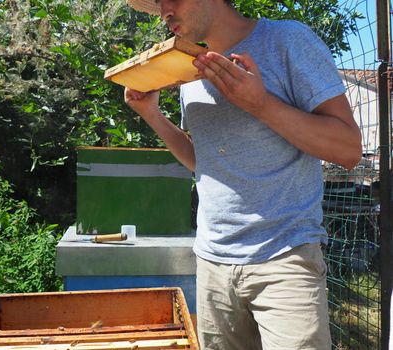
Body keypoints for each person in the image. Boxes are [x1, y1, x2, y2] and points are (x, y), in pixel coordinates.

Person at [124, 0, 362, 349]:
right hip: (212, 264)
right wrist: (152, 115)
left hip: (285, 258)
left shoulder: (287, 40)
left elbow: (349, 150)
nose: (164, 12)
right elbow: (203, 162)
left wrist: (260, 103)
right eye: (158, 5)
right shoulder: (192, 73)